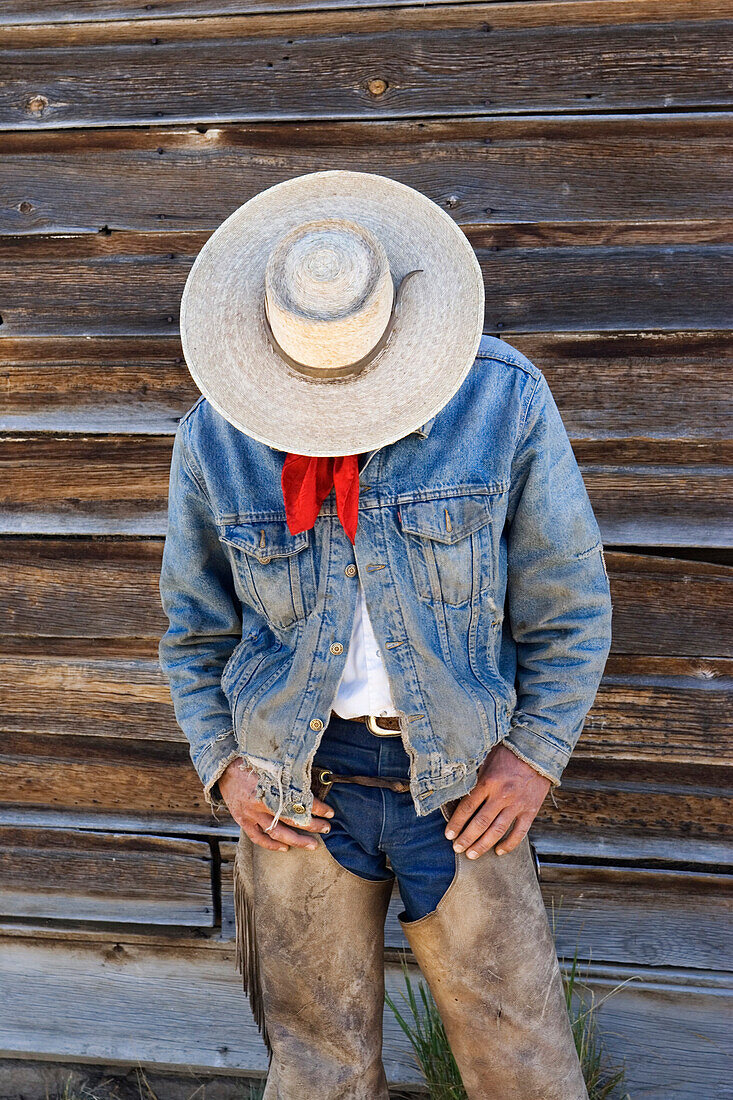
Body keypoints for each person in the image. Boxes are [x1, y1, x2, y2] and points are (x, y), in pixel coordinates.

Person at [158, 169, 613, 1099]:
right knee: (317, 1068)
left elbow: (569, 606)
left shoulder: (501, 402)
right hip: (296, 787)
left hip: (462, 784)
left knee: (522, 1066)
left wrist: (533, 756)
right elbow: (193, 629)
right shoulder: (217, 436)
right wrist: (224, 763)